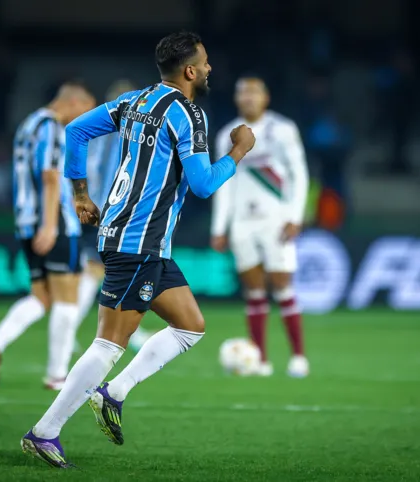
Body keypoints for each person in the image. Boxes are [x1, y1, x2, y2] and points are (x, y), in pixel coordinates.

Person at [20, 31, 256, 468]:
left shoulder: (135, 101)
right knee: (108, 345)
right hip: (138, 243)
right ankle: (44, 432)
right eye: (203, 62)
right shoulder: (188, 114)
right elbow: (203, 185)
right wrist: (238, 152)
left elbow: (76, 131)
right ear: (189, 71)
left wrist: (79, 194)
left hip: (132, 237)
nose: (208, 69)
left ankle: (115, 392)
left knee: (190, 325)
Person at [0, 81, 96, 390]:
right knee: (68, 298)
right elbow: (49, 176)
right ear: (72, 102)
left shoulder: (27, 125)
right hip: (52, 221)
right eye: (84, 112)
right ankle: (57, 374)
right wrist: (51, 224)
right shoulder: (53, 128)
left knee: (42, 297)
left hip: (25, 221)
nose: (83, 121)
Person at [211, 77, 310, 378]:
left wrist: (295, 215)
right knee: (253, 291)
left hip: (276, 220)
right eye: (242, 92)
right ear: (236, 98)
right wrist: (220, 226)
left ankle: (298, 357)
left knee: (282, 284)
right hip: (242, 221)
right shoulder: (226, 135)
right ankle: (261, 361)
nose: (248, 98)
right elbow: (222, 182)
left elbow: (299, 174)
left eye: (254, 92)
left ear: (265, 98)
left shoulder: (282, 129)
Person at [75, 79, 152, 354]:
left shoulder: (98, 130)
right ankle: (69, 324)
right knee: (99, 270)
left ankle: (129, 328)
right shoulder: (128, 132)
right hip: (116, 210)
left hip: (99, 208)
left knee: (117, 269)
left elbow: (87, 166)